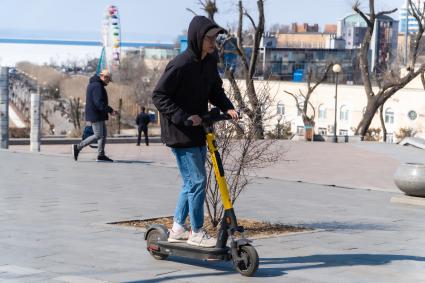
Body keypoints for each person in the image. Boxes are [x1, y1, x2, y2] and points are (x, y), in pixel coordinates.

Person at [152, 16, 238, 247]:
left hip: (199, 129)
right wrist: (183, 117)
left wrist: (227, 107)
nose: (213, 42)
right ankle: (197, 232)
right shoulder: (180, 65)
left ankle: (178, 228)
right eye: (209, 38)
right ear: (197, 38)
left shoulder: (209, 62)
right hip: (180, 131)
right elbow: (159, 96)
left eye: (215, 38)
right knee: (198, 181)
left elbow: (215, 90)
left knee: (191, 183)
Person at [72, 69, 116, 162]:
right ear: (104, 77)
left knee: (103, 135)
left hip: (97, 114)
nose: (109, 82)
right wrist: (110, 110)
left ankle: (101, 155)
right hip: (96, 114)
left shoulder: (95, 84)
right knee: (98, 135)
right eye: (108, 80)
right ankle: (78, 147)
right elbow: (99, 103)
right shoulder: (97, 86)